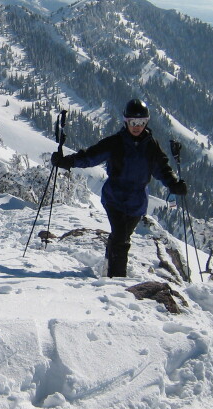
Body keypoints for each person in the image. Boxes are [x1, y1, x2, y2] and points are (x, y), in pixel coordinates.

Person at [52, 99, 187, 278]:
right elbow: (91, 156)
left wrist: (173, 184)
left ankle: (109, 264)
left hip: (137, 202)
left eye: (141, 122)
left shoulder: (151, 146)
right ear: (126, 121)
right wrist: (67, 161)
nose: (137, 126)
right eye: (133, 122)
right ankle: (117, 279)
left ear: (146, 122)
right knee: (121, 238)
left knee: (121, 236)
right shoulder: (115, 143)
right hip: (114, 198)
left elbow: (162, 169)